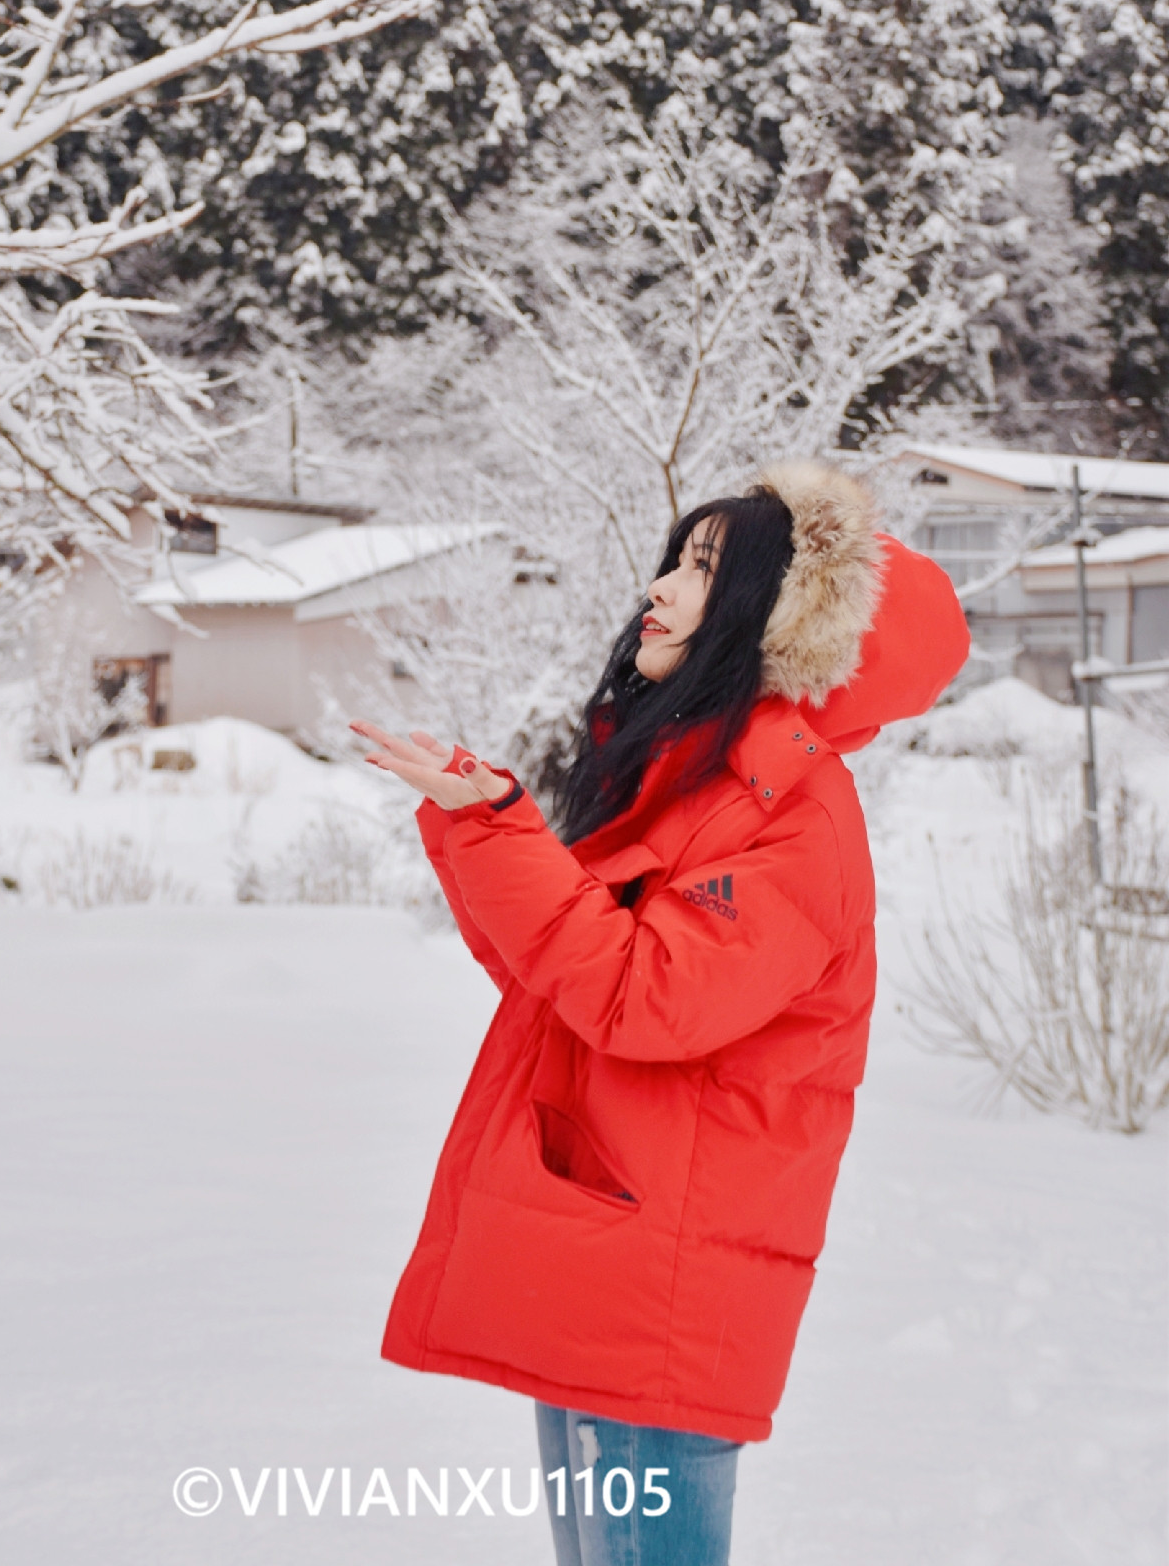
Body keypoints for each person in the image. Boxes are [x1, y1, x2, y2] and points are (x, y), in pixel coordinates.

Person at [352, 460, 970, 1566]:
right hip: (611, 1238)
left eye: (704, 569)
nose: (662, 587)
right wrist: (481, 826)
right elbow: (559, 981)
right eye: (677, 557)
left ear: (772, 622)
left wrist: (501, 826)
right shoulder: (697, 783)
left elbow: (643, 997)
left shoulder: (792, 819)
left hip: (666, 1273)